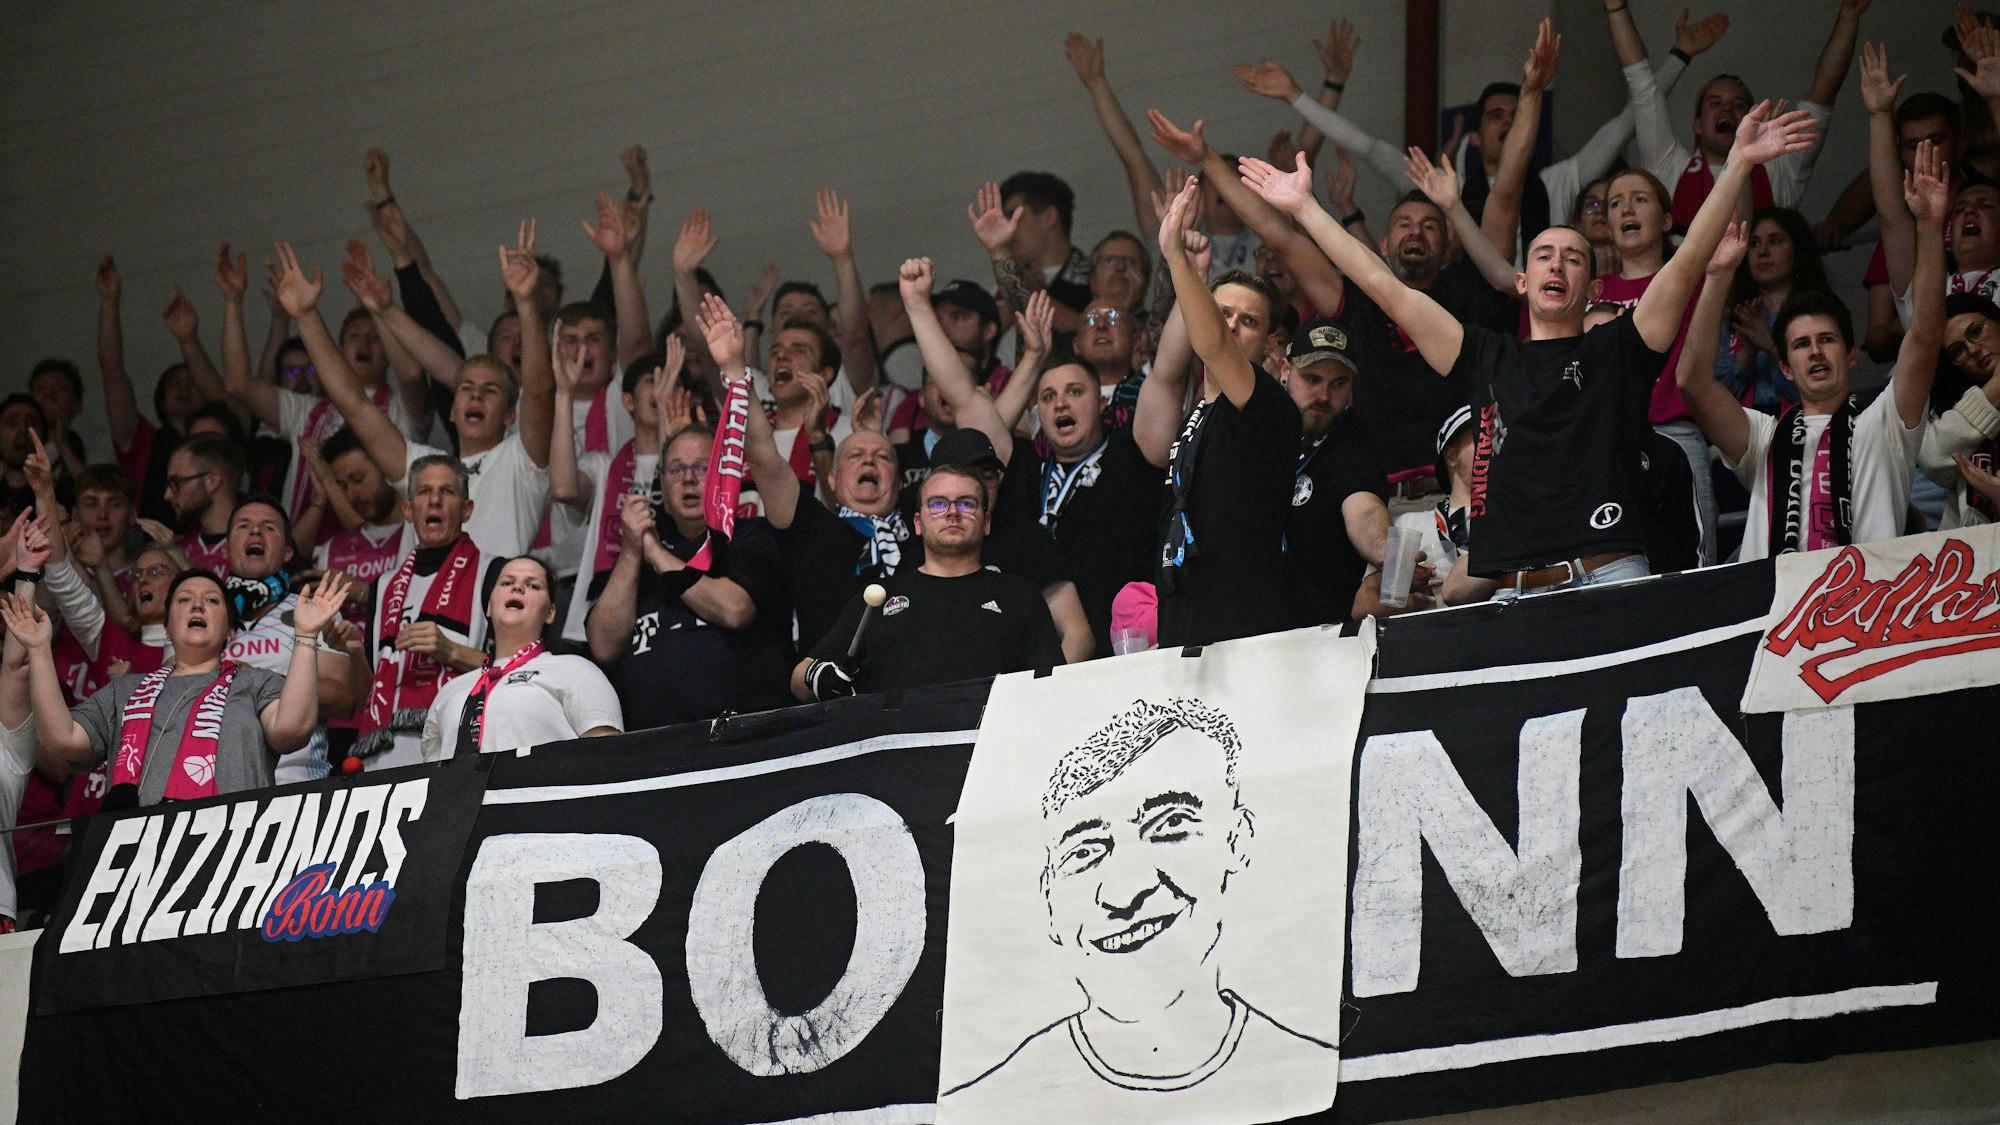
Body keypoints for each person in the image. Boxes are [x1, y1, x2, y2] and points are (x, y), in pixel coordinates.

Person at [1240, 101, 1819, 598]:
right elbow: (1385, 288)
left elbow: (1689, 257)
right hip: (1515, 591)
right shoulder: (1487, 355)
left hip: (1610, 576)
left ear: (1593, 288)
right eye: (1543, 255)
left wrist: (1739, 163)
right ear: (1521, 281)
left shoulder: (1620, 346)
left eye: (1573, 257)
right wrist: (1304, 209)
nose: (1557, 264)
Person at [942, 698, 1333, 1114]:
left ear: (1236, 840)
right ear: (1049, 899)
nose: (1124, 892)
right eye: (1085, 852)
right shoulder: (989, 1109)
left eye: (1170, 825)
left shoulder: (1307, 1078)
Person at [1675, 144, 1946, 560]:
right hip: (1772, 615)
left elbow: (1925, 337)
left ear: (1852, 354)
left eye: (1828, 340)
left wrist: (1928, 227)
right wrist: (1717, 275)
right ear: (1784, 366)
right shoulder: (1764, 437)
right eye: (1802, 345)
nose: (1816, 352)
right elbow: (1692, 381)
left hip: (1864, 611)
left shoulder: (1887, 421)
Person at [284, 233, 558, 557]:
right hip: (415, 608)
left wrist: (525, 303)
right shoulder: (424, 468)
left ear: (511, 414)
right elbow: (355, 405)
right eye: (466, 388)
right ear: (453, 410)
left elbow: (540, 393)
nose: (476, 397)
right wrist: (305, 317)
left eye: (491, 391)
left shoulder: (521, 461)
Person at [11, 566, 347, 810]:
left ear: (230, 630)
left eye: (212, 601)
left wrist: (305, 635)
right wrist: (40, 651)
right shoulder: (125, 690)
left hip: (232, 855)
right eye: (184, 600)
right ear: (168, 627)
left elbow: (293, 729)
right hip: (134, 864)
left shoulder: (255, 682)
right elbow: (60, 738)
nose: (198, 606)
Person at [1136, 181, 1301, 645]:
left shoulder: (1266, 402)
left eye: (1247, 321)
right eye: (1220, 312)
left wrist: (1174, 256)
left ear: (1270, 344)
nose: (1230, 325)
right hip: (1185, 618)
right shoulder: (1197, 411)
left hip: (1245, 627)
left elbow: (1212, 343)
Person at [794, 465, 1064, 700]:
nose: (952, 512)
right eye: (937, 504)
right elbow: (798, 680)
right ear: (918, 523)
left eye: (967, 503)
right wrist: (818, 677)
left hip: (990, 749)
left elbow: (1054, 689)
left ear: (986, 522)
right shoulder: (879, 596)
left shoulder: (1020, 595)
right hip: (897, 750)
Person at [586, 427, 794, 728]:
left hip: (747, 740)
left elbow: (734, 610)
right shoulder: (634, 560)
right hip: (657, 747)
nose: (688, 478)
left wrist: (656, 553)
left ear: (723, 476)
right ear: (663, 486)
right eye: (676, 468)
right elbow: (604, 645)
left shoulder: (751, 536)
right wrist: (632, 551)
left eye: (700, 466)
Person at [1620, 0, 1866, 225]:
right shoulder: (1669, 168)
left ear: (1753, 120)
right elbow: (1642, 87)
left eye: (1739, 105)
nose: (1727, 108)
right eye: (1715, 103)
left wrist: (1848, 17)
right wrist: (1615, 8)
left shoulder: (1779, 169)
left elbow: (1823, 94)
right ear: (1696, 124)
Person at [351, 455, 498, 769]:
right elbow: (371, 688)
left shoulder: (494, 574)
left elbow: (514, 670)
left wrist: (451, 650)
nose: (434, 500)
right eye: (423, 492)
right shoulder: (382, 587)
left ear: (467, 509)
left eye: (447, 492)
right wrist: (349, 651)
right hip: (382, 759)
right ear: (408, 509)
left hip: (456, 748)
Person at [217, 497, 361, 783]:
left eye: (268, 527)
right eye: (244, 526)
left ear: (287, 552)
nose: (255, 532)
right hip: (212, 785)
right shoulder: (201, 613)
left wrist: (258, 682)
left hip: (295, 783)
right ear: (224, 549)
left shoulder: (313, 609)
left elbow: (345, 700)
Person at [422, 556, 623, 758]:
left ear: (550, 613)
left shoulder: (577, 672)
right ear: (489, 606)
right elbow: (430, 776)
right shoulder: (449, 691)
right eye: (506, 582)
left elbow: (606, 760)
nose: (517, 587)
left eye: (533, 585)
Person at [1278, 321, 1390, 626]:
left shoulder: (1355, 444)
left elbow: (1365, 511)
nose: (1324, 396)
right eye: (1312, 379)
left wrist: (1387, 553)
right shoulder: (1261, 428)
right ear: (1285, 370)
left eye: (1338, 384)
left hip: (1326, 630)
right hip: (1253, 624)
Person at [1715, 208, 1827, 411]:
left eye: (1774, 241)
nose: (1762, 251)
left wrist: (1771, 347)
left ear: (1798, 250)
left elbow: (1822, 394)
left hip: (1803, 428)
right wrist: (1747, 350)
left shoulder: (1821, 315)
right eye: (1754, 243)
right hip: (1741, 432)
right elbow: (1713, 403)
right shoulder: (1734, 317)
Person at [971, 172, 1093, 333]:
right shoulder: (1004, 279)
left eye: (1014, 217)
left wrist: (1027, 290)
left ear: (1049, 217)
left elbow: (1097, 332)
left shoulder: (1095, 275)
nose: (1006, 228)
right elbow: (981, 343)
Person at [1926, 294, 2000, 528]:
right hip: (1971, 549)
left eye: (1976, 331)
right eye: (1958, 350)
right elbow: (1933, 458)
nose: (1973, 350)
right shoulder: (1953, 400)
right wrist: (1995, 390)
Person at [164, 433, 244, 575]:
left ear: (212, 481)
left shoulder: (255, 550)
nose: (167, 495)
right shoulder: (175, 555)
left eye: (176, 483)